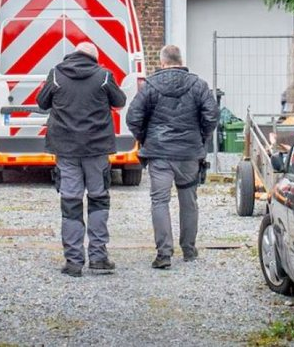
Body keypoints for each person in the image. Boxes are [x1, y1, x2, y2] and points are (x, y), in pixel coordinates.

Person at [37, 41, 126, 277]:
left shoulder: (56, 74)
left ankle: (74, 262)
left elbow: (41, 102)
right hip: (96, 149)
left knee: (71, 203)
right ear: (93, 57)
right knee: (98, 200)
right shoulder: (104, 76)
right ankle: (98, 258)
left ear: (74, 54)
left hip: (65, 149)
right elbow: (120, 101)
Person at [126, 45, 219, 269]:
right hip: (188, 153)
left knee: (160, 201)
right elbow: (212, 116)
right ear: (181, 60)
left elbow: (133, 117)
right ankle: (188, 249)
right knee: (189, 201)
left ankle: (164, 254)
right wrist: (201, 138)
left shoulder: (150, 86)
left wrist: (145, 138)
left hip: (159, 154)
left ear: (162, 62)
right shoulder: (198, 85)